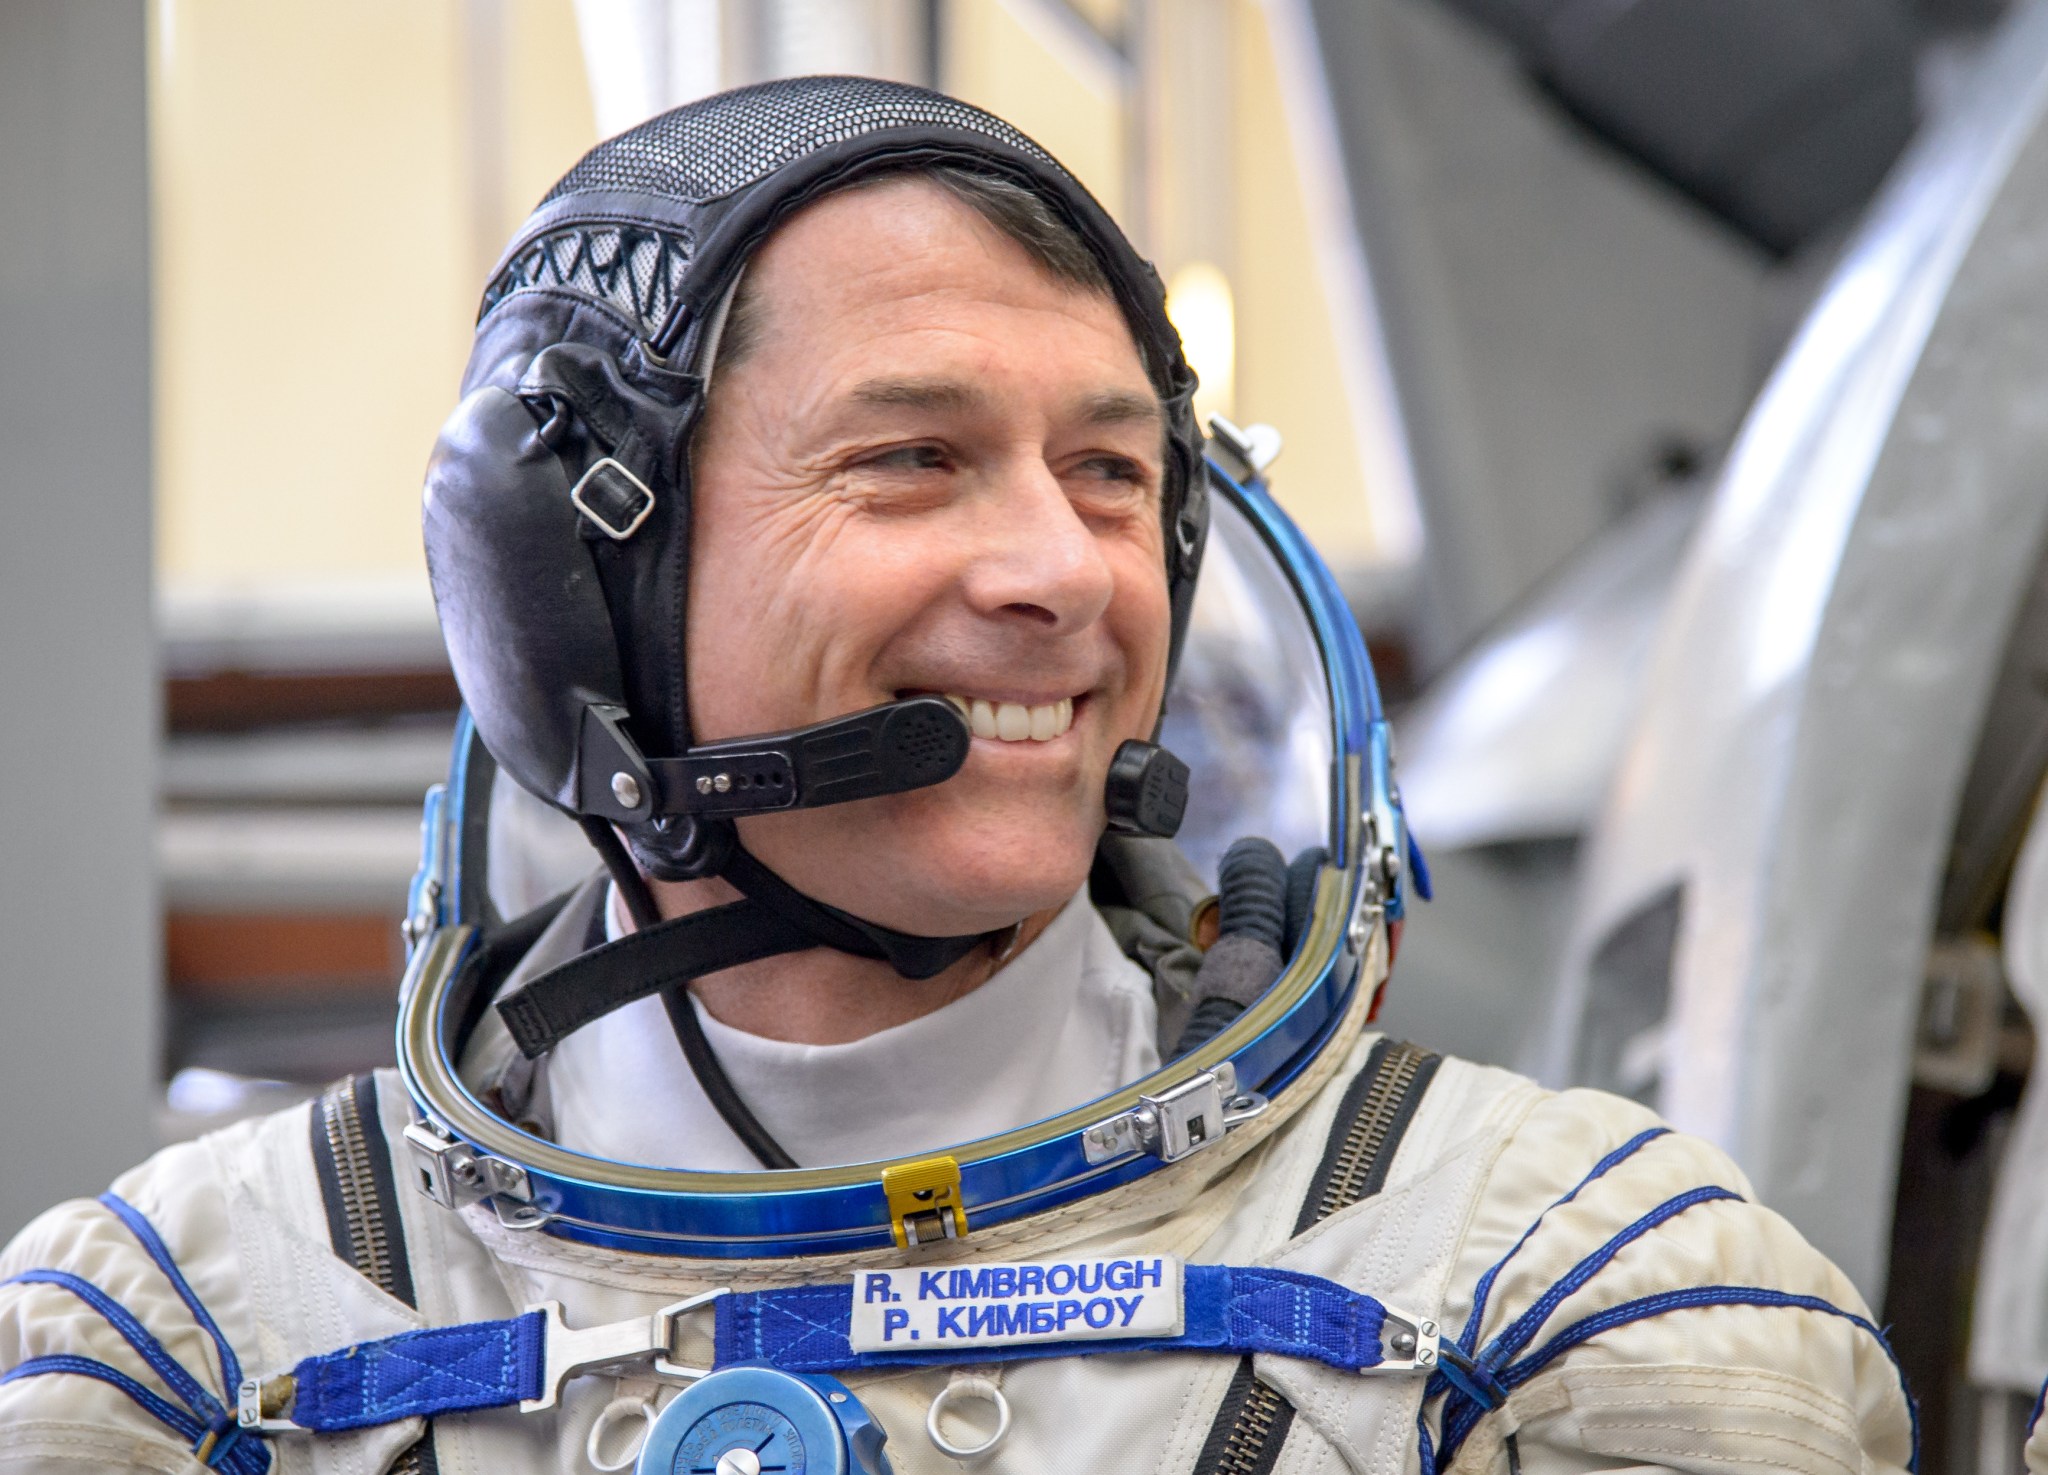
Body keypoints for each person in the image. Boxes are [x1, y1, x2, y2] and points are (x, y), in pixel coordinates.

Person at [0, 78, 1914, 1475]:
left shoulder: (1568, 1299)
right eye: (913, 460)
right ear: (565, 594)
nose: (1064, 572)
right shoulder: (180, 1350)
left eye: (1111, 474)